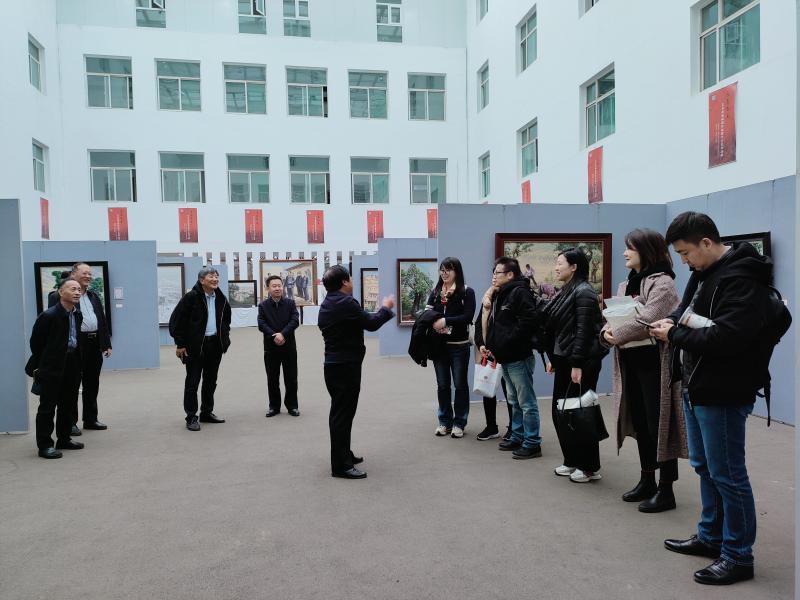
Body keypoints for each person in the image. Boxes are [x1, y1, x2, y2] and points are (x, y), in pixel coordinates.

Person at [650, 211, 771, 585]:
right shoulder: (704, 273)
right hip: (697, 385)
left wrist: (673, 335)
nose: (684, 262)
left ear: (706, 242)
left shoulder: (742, 277)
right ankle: (711, 536)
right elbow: (686, 312)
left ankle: (738, 555)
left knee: (728, 474)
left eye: (685, 253)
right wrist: (671, 321)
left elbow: (728, 338)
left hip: (724, 389)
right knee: (705, 466)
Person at [600, 229, 685, 512]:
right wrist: (605, 333)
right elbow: (613, 317)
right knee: (640, 422)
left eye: (630, 248)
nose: (625, 252)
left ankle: (666, 489)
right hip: (631, 363)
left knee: (659, 424)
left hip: (655, 366)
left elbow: (647, 318)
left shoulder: (663, 283)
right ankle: (647, 480)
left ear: (646, 250)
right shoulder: (626, 284)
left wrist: (616, 333)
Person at [317, 265, 394, 479]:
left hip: (334, 366)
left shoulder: (328, 303)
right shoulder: (346, 302)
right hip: (345, 367)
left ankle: (344, 454)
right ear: (344, 282)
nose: (351, 281)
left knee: (342, 413)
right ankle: (340, 466)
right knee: (342, 415)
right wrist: (386, 308)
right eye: (349, 278)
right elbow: (371, 323)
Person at [543, 248, 607, 482]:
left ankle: (589, 467)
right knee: (562, 412)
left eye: (560, 263)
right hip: (565, 360)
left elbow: (583, 332)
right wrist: (554, 359)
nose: (556, 267)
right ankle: (572, 460)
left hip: (581, 362)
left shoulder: (584, 292)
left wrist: (577, 364)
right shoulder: (567, 290)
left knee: (581, 413)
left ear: (574, 267)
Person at [480, 257, 542, 460]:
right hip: (505, 357)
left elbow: (528, 323)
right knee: (514, 400)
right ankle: (517, 436)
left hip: (518, 356)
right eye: (493, 272)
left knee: (526, 402)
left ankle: (532, 443)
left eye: (497, 272)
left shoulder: (519, 292)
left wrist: (506, 342)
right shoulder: (501, 293)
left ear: (510, 275)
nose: (493, 276)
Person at [48, 263, 112, 434]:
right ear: (74, 274)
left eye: (90, 274)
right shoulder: (57, 296)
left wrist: (106, 343)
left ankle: (90, 419)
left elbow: (101, 320)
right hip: (76, 344)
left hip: (94, 343)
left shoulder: (93, 296)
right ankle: (70, 423)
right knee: (72, 384)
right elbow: (56, 322)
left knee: (92, 383)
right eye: (85, 273)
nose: (88, 276)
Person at [26, 279, 85, 458]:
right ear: (61, 292)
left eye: (79, 289)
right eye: (72, 289)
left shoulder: (77, 314)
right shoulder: (48, 316)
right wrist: (47, 361)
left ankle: (64, 439)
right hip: (51, 365)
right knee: (48, 406)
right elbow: (36, 343)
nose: (77, 292)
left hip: (72, 362)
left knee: (68, 403)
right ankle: (45, 445)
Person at [169, 266, 231, 431]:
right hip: (194, 347)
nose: (215, 279)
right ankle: (191, 417)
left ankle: (206, 412)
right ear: (202, 280)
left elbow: (226, 319)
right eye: (211, 276)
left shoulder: (221, 298)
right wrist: (180, 344)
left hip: (215, 345)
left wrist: (224, 335)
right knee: (193, 382)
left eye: (216, 276)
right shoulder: (191, 297)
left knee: (210, 381)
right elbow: (176, 321)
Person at [426, 257, 476, 438]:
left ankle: (459, 423)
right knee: (442, 385)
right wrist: (432, 320)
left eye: (448, 269)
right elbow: (428, 312)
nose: (444, 273)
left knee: (460, 385)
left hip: (459, 346)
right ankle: (444, 422)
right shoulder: (436, 291)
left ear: (457, 272)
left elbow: (468, 316)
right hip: (439, 346)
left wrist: (446, 320)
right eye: (442, 270)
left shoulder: (466, 292)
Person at [258, 275, 300, 417]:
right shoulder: (263, 306)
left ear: (283, 287)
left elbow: (295, 320)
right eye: (274, 286)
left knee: (291, 378)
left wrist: (283, 334)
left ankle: (292, 406)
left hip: (289, 347)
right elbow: (261, 324)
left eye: (279, 285)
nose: (277, 288)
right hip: (271, 348)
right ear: (268, 288)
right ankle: (274, 407)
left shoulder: (290, 303)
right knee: (272, 379)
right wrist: (274, 335)